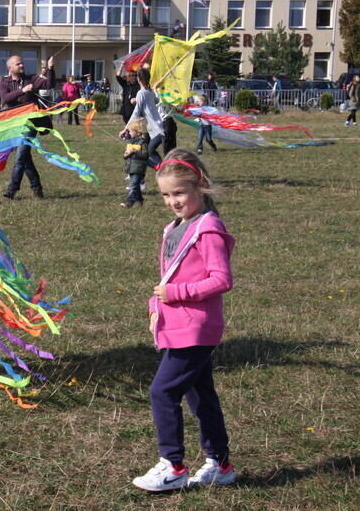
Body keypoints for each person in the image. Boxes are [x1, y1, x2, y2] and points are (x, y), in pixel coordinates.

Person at [132, 150, 236, 493]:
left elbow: (221, 280)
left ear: (200, 187)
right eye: (165, 195)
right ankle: (221, 464)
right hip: (177, 324)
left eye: (179, 193)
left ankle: (173, 465)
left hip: (197, 327)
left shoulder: (208, 228)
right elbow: (167, 277)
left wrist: (174, 294)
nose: (173, 201)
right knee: (200, 396)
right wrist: (154, 307)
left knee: (162, 392)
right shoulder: (174, 228)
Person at [0, 54, 56, 200]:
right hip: (13, 124)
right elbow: (5, 98)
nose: (21, 65)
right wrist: (23, 91)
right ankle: (36, 187)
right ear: (10, 68)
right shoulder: (4, 83)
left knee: (20, 156)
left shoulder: (32, 79)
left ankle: (12, 188)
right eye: (18, 64)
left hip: (30, 123)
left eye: (22, 63)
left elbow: (49, 85)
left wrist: (50, 68)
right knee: (25, 157)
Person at [121, 67, 164, 168]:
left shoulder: (141, 92)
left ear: (139, 79)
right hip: (157, 127)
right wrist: (154, 89)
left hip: (157, 129)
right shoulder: (149, 91)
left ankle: (162, 168)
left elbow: (136, 112)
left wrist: (126, 128)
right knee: (147, 151)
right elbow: (156, 100)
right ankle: (160, 168)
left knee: (150, 150)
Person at [121, 118, 150, 208]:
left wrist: (135, 151)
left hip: (139, 169)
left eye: (131, 131)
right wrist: (125, 155)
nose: (129, 133)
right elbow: (127, 154)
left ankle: (129, 202)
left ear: (138, 132)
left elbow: (145, 155)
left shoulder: (143, 143)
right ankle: (139, 201)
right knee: (136, 186)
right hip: (131, 167)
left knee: (133, 186)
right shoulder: (130, 142)